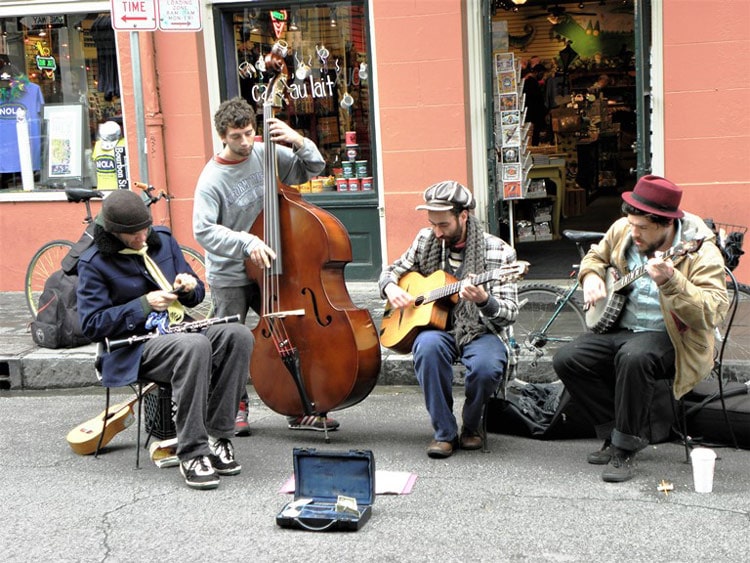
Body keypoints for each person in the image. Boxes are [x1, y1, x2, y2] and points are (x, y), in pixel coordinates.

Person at [552, 175, 729, 483]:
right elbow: (595, 257)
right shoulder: (624, 230)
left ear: (666, 225)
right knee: (567, 358)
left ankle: (624, 449)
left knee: (634, 357)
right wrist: (591, 276)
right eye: (631, 224)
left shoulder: (701, 252)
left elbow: (710, 313)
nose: (633, 233)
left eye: (642, 228)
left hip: (676, 338)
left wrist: (671, 282)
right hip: (623, 329)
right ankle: (613, 430)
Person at [77, 189, 252, 490]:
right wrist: (143, 305)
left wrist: (189, 286)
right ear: (115, 233)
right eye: (133, 234)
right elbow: (92, 324)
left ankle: (218, 437)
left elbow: (194, 296)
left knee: (239, 335)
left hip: (178, 329)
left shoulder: (163, 240)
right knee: (194, 345)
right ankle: (192, 453)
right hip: (136, 345)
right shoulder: (93, 263)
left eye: (144, 228)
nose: (142, 237)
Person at [193, 96, 339, 436]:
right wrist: (246, 241)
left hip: (274, 266)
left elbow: (312, 168)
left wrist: (299, 141)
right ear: (222, 137)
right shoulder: (212, 178)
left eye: (249, 133)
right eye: (236, 137)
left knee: (288, 334)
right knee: (231, 341)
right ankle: (234, 408)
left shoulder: (264, 152)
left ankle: (298, 405)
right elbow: (202, 229)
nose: (245, 143)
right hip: (232, 272)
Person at [379, 181, 520, 458]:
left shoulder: (500, 252)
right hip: (439, 329)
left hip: (481, 330)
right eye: (432, 224)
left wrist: (483, 300)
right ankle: (444, 432)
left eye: (443, 224)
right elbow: (392, 270)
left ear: (463, 216)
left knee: (486, 367)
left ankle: (471, 424)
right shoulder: (425, 240)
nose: (437, 231)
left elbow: (510, 312)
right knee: (426, 348)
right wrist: (391, 288)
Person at [522, 62, 548, 146]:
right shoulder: (531, 82)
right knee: (534, 134)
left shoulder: (529, 81)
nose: (542, 76)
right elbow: (536, 99)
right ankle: (533, 146)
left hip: (531, 113)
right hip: (533, 114)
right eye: (542, 73)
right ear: (537, 72)